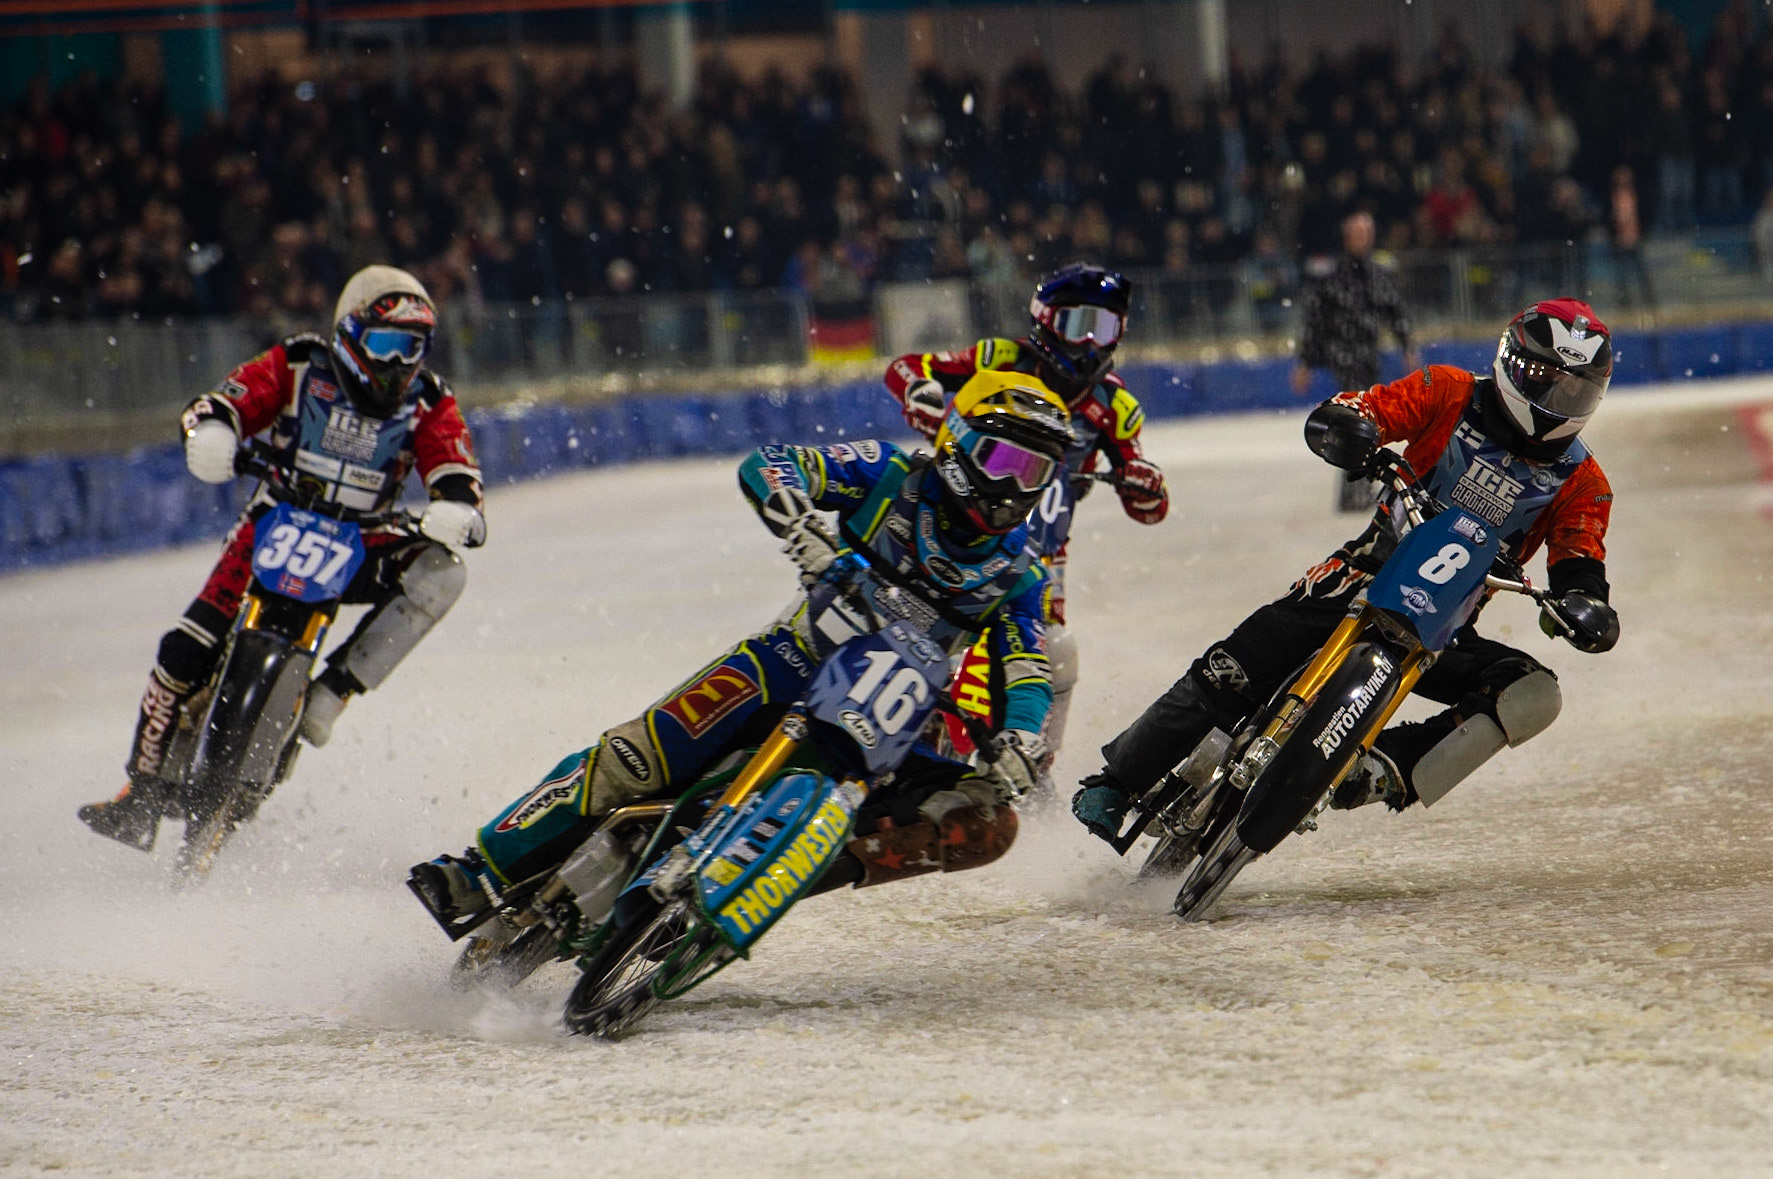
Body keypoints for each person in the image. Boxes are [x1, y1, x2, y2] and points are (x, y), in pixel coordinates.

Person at [409, 371, 1075, 929]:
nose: (1016, 488)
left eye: (1036, 473)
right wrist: (802, 528)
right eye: (1005, 461)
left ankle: (783, 873)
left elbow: (1026, 667)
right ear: (958, 443)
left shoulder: (1018, 576)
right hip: (789, 660)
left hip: (891, 726)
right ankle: (478, 868)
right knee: (635, 758)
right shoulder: (888, 473)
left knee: (985, 819)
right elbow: (773, 464)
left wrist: (1020, 737)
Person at [1075, 299, 1620, 842]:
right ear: (1511, 359)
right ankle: (1117, 781)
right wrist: (1351, 426)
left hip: (1446, 623)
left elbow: (1580, 560)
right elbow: (1366, 408)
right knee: (1233, 669)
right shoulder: (1448, 390)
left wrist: (1584, 605)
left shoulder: (1583, 481)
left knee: (1532, 694)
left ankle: (1387, 769)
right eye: (1543, 377)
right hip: (1361, 574)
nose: (1554, 397)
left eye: (1573, 388)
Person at [78, 266, 486, 851]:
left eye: (412, 348)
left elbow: (456, 468)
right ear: (350, 333)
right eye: (386, 343)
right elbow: (223, 401)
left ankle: (333, 693)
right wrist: (215, 429)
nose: (398, 363)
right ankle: (140, 795)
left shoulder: (428, 400)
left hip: (363, 541)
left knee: (444, 573)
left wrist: (457, 508)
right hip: (271, 523)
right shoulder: (300, 363)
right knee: (184, 651)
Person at [883, 263, 1168, 775]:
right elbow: (906, 368)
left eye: (1103, 328)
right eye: (1075, 322)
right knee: (915, 628)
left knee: (1051, 654)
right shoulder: (999, 358)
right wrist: (920, 396)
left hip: (1039, 559)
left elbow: (1147, 503)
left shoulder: (1115, 406)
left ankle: (1031, 765)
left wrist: (1145, 482)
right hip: (950, 527)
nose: (1087, 341)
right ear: (1044, 319)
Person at [1291, 210, 1416, 512]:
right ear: (1347, 237)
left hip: (1368, 354)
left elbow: (1395, 312)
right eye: (1357, 233)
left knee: (1363, 418)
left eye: (1366, 234)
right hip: (1343, 356)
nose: (1363, 239)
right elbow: (1316, 321)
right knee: (1356, 419)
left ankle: (1358, 487)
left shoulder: (1378, 273)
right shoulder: (1332, 275)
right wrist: (1306, 363)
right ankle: (1355, 488)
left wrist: (1407, 347)